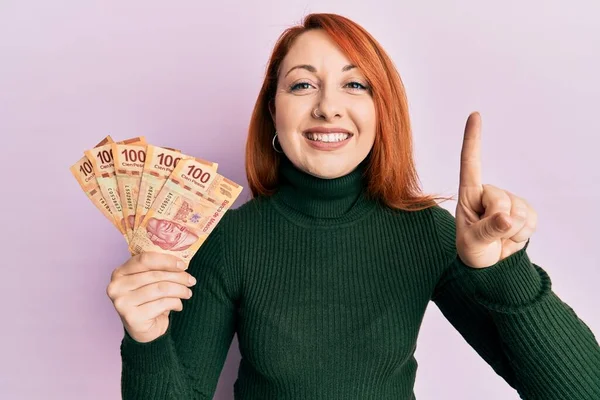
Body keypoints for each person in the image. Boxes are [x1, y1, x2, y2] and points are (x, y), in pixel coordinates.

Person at [107, 13, 600, 400]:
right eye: (301, 84)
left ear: (381, 110)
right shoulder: (230, 240)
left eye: (355, 84)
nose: (327, 106)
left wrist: (504, 271)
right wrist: (146, 339)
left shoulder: (427, 233)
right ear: (272, 110)